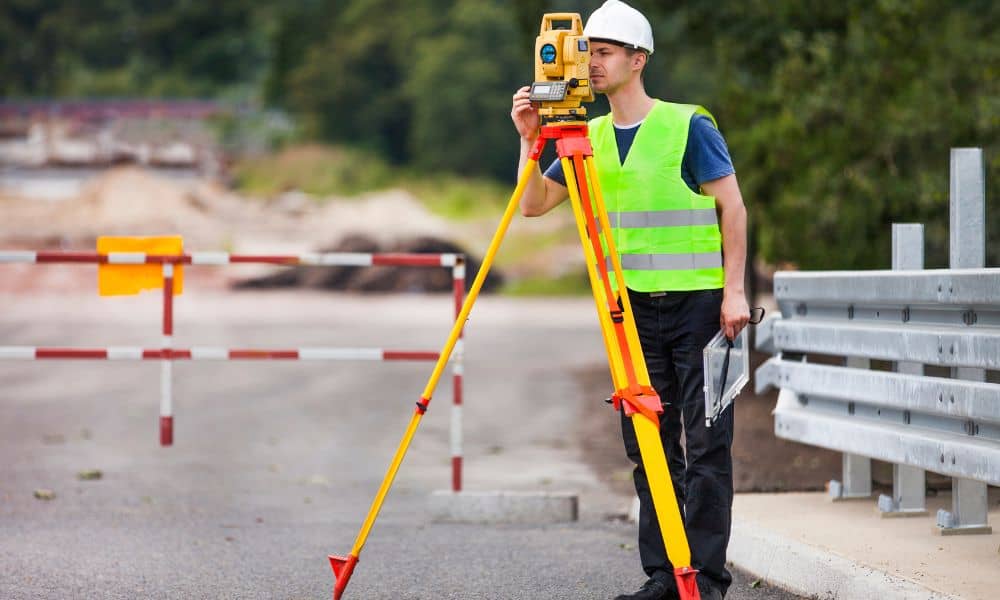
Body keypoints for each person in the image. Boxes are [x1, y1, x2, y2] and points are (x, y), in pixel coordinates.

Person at [510, 1, 750, 599]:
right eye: (587, 50)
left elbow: (734, 206)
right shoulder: (585, 136)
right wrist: (530, 141)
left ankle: (708, 580)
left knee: (706, 446)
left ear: (637, 60)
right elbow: (533, 205)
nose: (590, 62)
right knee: (648, 448)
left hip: (699, 308)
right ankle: (664, 577)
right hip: (632, 314)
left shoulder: (687, 126)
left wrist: (735, 291)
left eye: (604, 52)